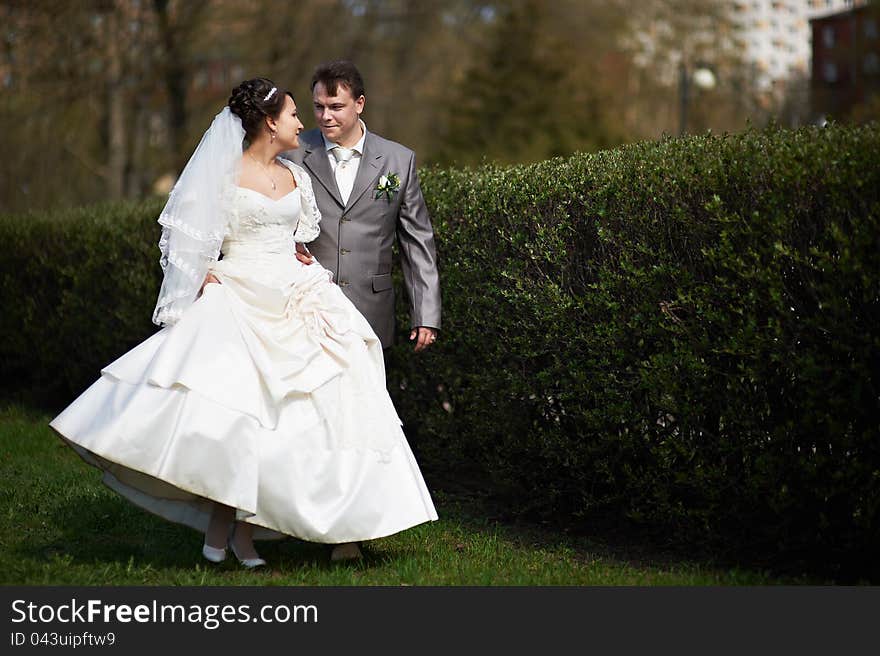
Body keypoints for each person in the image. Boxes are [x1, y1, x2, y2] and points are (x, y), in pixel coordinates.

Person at [49, 77, 438, 568]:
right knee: (241, 414)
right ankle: (229, 531)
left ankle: (319, 524)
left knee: (322, 397)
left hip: (297, 294)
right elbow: (193, 239)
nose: (306, 121)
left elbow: (300, 237)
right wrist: (205, 273)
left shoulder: (295, 177)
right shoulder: (223, 175)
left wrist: (300, 262)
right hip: (242, 294)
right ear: (270, 122)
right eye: (297, 113)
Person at [284, 60, 441, 353]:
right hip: (307, 310)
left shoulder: (398, 160)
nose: (325, 116)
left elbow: (417, 242)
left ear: (359, 103)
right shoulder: (292, 155)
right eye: (318, 107)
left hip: (372, 311)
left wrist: (426, 314)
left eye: (335, 106)